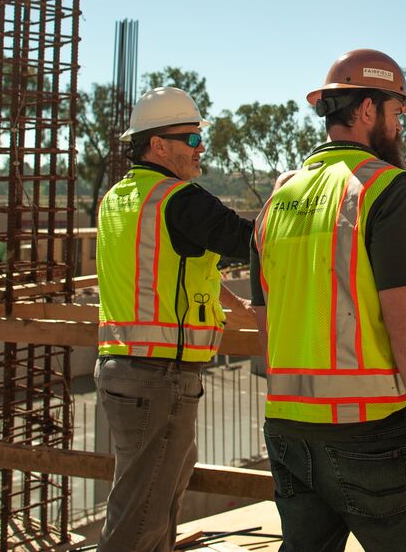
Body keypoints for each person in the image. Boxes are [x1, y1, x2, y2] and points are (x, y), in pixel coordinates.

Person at [249, 49, 406, 552]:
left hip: (287, 428)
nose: (399, 128)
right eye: (397, 114)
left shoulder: (277, 200)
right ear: (368, 110)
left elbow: (267, 325)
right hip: (370, 434)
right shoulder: (390, 191)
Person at [95, 87, 254, 551]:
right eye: (190, 138)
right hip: (158, 377)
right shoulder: (177, 199)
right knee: (140, 519)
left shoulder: (118, 199)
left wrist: (229, 299)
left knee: (152, 503)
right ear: (158, 146)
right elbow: (253, 241)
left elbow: (172, 265)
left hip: (124, 369)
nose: (199, 148)